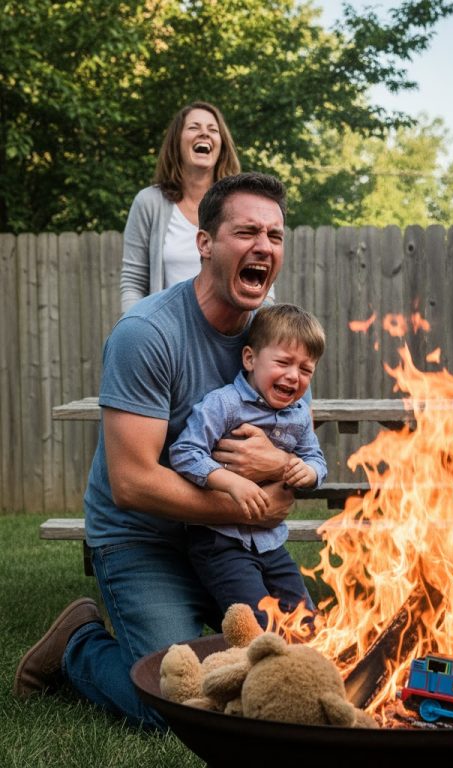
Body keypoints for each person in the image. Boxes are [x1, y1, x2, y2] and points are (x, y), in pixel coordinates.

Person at [14, 172, 298, 730]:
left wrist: (282, 472)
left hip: (225, 541)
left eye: (276, 235)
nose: (264, 246)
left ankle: (192, 621)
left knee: (291, 665)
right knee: (177, 707)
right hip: (140, 536)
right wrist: (252, 505)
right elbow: (133, 482)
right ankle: (77, 645)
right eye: (246, 232)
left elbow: (292, 437)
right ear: (205, 243)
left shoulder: (271, 333)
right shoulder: (147, 333)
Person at [169, 303, 327, 628]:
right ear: (250, 359)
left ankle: (304, 669)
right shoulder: (223, 405)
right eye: (283, 362)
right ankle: (260, 673)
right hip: (220, 542)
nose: (293, 376)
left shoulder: (297, 415)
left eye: (306, 369)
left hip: (270, 542)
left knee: (307, 621)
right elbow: (184, 452)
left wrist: (307, 471)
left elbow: (316, 460)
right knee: (256, 626)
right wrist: (229, 482)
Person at [120, 101, 241, 313]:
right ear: (177, 142)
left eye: (213, 130)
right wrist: (134, 330)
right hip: (166, 335)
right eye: (194, 127)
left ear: (221, 145)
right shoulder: (148, 202)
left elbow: (260, 281)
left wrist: (261, 335)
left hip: (228, 337)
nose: (204, 134)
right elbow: (133, 283)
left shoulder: (239, 204)